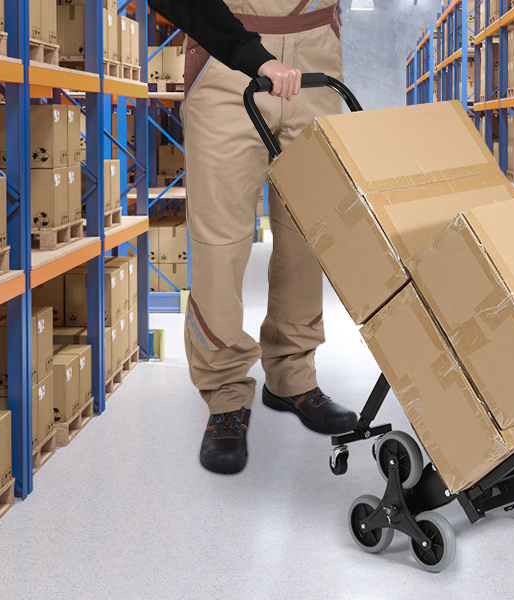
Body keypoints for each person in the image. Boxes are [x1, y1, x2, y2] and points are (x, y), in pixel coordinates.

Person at [147, 0, 359, 475]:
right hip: (226, 59)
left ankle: (292, 375)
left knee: (309, 234)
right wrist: (249, 54)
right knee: (220, 243)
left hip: (315, 54)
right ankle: (224, 396)